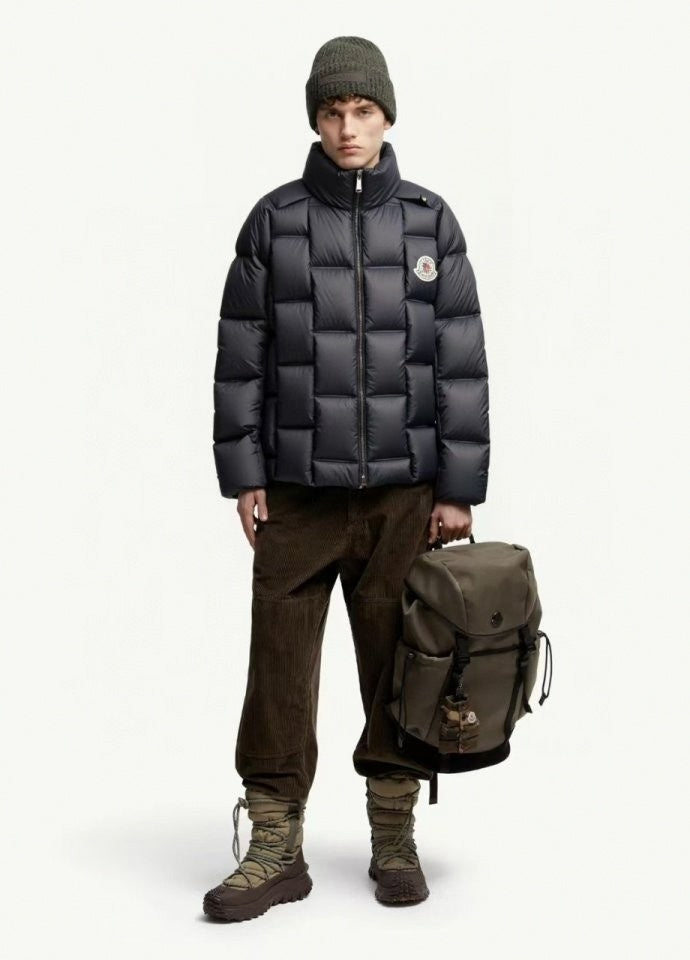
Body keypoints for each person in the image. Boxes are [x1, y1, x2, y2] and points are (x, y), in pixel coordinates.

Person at [203, 35, 490, 922]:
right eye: (332, 113)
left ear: (387, 115)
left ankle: (393, 834)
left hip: (404, 497)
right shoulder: (275, 221)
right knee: (277, 673)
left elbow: (461, 363)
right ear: (316, 121)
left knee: (401, 668)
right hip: (296, 496)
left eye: (362, 110)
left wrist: (457, 488)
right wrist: (244, 473)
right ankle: (275, 847)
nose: (347, 128)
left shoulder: (430, 222)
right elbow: (240, 360)